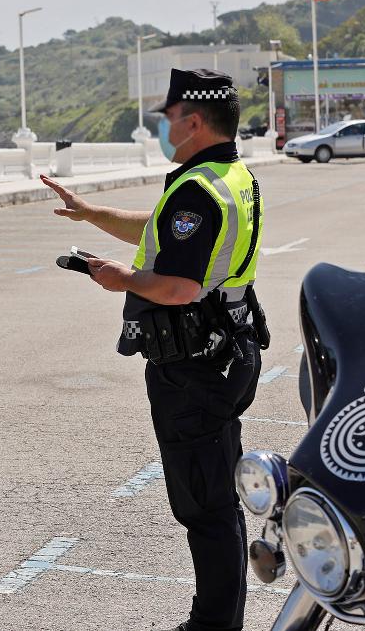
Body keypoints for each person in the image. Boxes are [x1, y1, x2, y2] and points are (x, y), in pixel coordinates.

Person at [41, 68, 268, 631]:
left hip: (195, 365)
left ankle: (213, 624)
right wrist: (91, 212)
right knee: (216, 493)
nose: (165, 126)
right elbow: (163, 231)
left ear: (193, 120)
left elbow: (179, 286)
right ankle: (222, 618)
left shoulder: (198, 188)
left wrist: (122, 279)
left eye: (168, 117)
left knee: (204, 504)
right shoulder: (231, 176)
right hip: (229, 349)